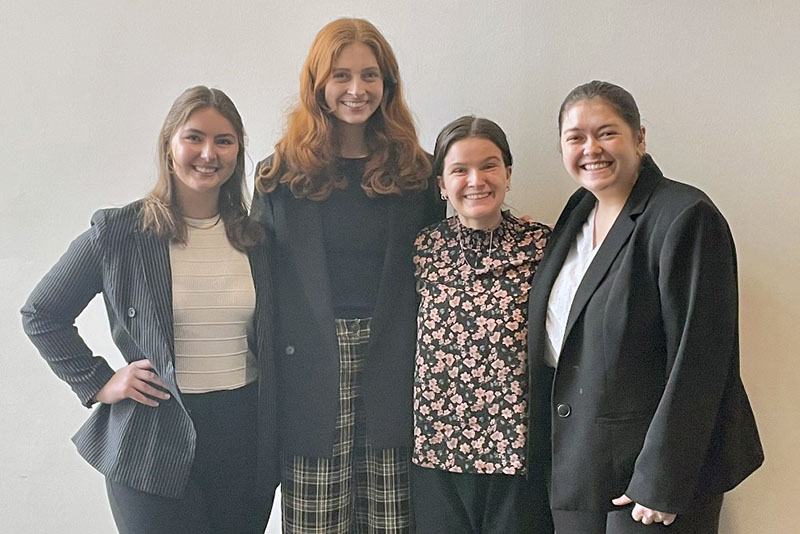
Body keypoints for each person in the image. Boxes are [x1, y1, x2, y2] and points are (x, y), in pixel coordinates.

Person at [21, 86, 279, 534]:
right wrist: (100, 381)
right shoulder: (120, 232)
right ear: (169, 146)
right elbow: (41, 313)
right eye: (193, 137)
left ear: (238, 151)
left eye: (224, 140)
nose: (208, 153)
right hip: (151, 442)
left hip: (244, 440)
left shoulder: (258, 239)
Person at [526, 80, 764, 533]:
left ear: (639, 137)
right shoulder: (578, 210)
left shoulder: (685, 215)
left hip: (650, 479)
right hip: (580, 465)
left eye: (607, 133)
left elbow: (701, 362)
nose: (590, 148)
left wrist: (662, 481)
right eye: (575, 137)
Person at [251, 18, 444, 534]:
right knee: (317, 521)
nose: (357, 90)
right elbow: (260, 287)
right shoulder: (279, 175)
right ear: (317, 83)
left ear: (388, 85)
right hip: (309, 369)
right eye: (341, 75)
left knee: (394, 519)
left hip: (397, 365)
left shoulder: (418, 173)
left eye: (370, 76)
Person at [410, 116, 554, 534]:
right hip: (437, 446)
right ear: (441, 183)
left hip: (517, 450)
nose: (476, 180)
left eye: (489, 166)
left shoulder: (544, 244)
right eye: (459, 170)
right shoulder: (423, 248)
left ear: (508, 173)